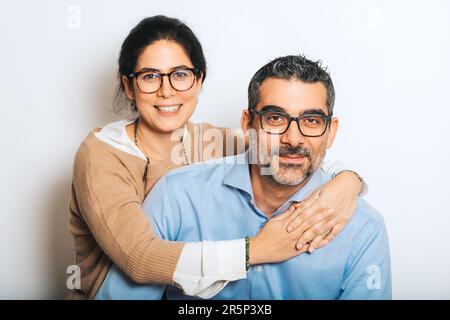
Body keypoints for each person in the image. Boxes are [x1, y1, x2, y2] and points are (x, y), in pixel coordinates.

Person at [69, 16, 367, 300]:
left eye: (180, 75)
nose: (166, 90)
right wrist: (257, 250)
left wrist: (348, 182)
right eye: (149, 77)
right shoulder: (101, 155)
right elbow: (140, 258)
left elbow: (285, 149)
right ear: (129, 87)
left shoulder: (211, 141)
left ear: (198, 82)